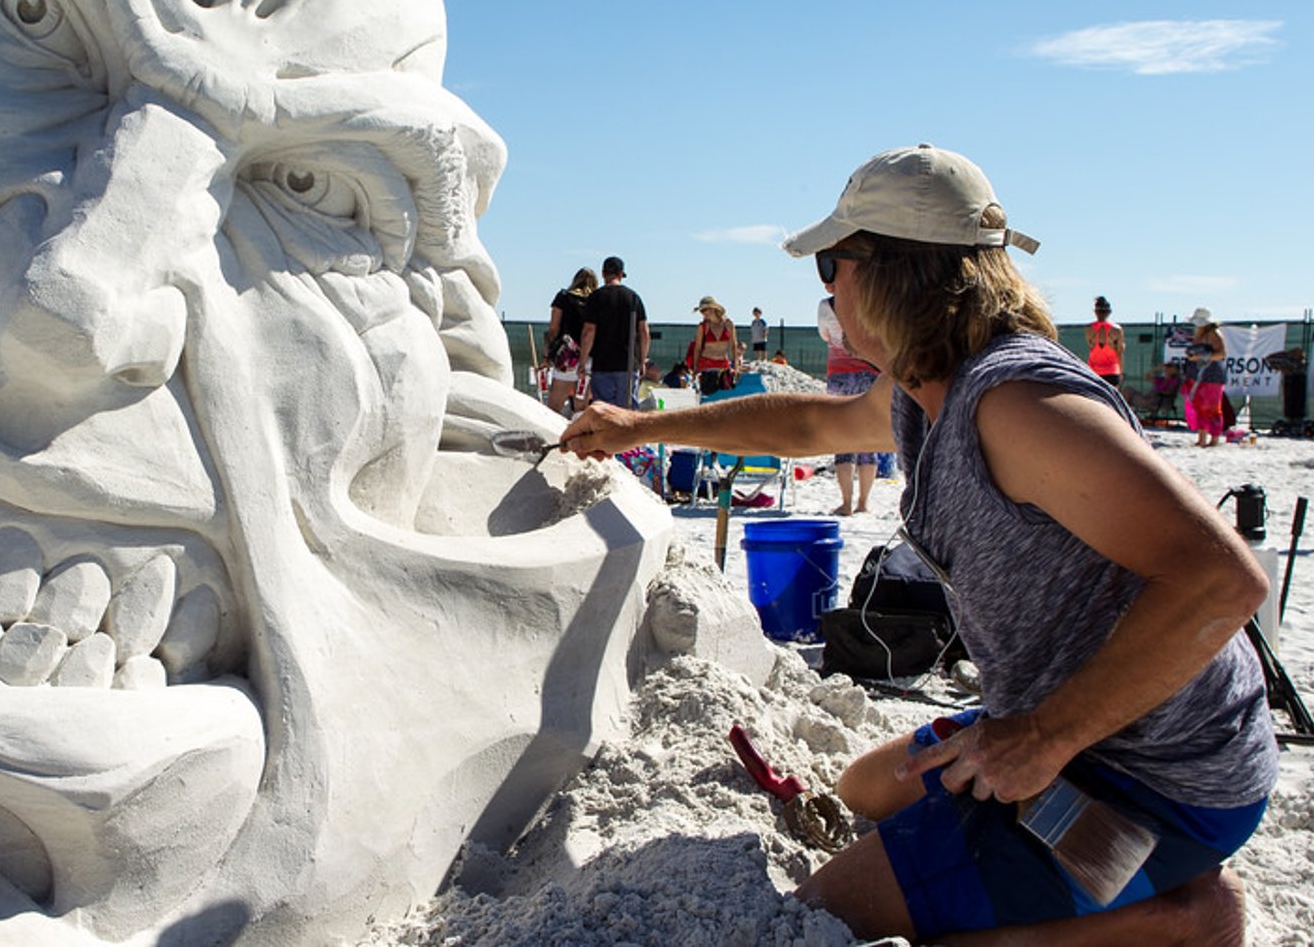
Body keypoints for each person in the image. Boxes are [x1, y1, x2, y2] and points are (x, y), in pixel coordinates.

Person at [564, 144, 1275, 944]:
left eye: (835, 262)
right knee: (864, 787)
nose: (827, 287)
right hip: (1058, 717)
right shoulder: (923, 386)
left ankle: (1185, 919)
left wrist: (1047, 736)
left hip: (1156, 767)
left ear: (899, 273)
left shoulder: (1018, 405)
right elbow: (808, 421)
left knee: (829, 919)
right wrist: (642, 426)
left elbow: (1222, 580)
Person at [821, 296, 882, 516]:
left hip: (840, 373)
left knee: (842, 436)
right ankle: (863, 502)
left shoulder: (827, 306)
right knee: (868, 438)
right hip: (870, 372)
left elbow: (824, 334)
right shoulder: (873, 302)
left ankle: (846, 503)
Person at [578, 256, 649, 410]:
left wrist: (582, 361)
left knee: (604, 412)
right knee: (628, 413)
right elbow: (644, 333)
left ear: (603, 274)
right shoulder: (633, 298)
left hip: (603, 364)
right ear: (620, 274)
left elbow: (588, 332)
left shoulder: (595, 297)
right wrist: (642, 361)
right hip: (628, 364)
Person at [542, 268, 597, 415]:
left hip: (567, 357)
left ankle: (553, 436)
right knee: (581, 408)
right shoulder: (597, 300)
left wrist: (546, 356)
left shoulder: (563, 297)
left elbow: (553, 329)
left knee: (554, 406)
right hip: (590, 358)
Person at [1186, 311, 1229, 448]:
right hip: (1201, 373)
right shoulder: (1201, 334)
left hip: (1212, 374)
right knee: (1200, 406)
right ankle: (1202, 438)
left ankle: (1214, 439)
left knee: (1212, 408)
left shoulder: (1214, 334)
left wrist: (1200, 357)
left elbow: (1221, 354)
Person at [690, 295, 739, 395]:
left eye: (704, 310)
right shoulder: (703, 326)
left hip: (723, 365)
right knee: (708, 397)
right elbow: (697, 349)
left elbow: (733, 346)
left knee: (726, 397)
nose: (702, 313)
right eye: (701, 311)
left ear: (713, 308)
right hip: (706, 364)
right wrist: (695, 368)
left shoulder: (728, 324)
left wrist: (736, 366)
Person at [1086, 295, 1126, 387]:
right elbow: (1119, 352)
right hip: (1112, 371)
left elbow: (1091, 347)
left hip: (1094, 372)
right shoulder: (1117, 330)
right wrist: (1121, 372)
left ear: (1095, 312)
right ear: (1109, 312)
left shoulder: (1088, 329)